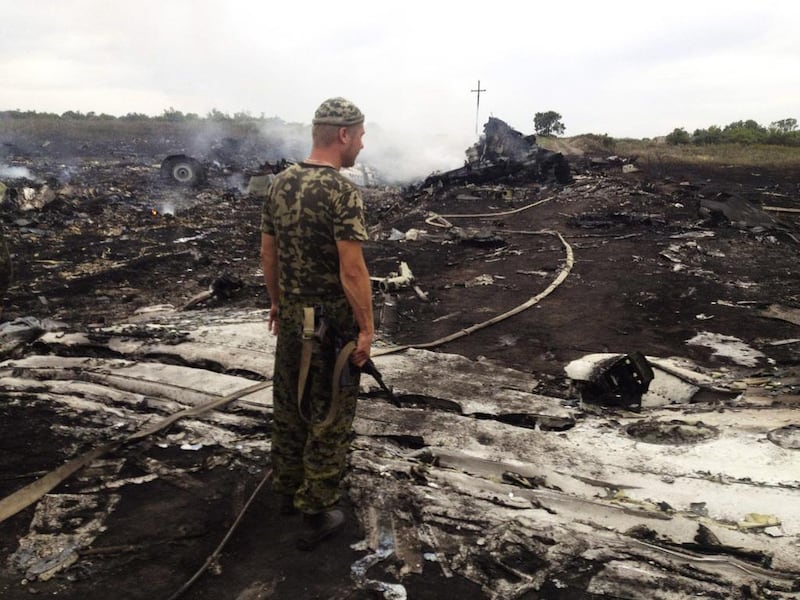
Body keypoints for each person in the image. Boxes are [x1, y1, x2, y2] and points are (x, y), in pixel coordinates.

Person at [260, 97, 373, 551]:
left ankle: (287, 491)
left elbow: (268, 254)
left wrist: (276, 303)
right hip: (330, 325)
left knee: (289, 404)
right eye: (361, 136)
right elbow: (352, 271)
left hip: (290, 317)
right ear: (343, 135)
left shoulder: (280, 183)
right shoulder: (343, 192)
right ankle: (318, 507)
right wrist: (366, 328)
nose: (362, 145)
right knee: (329, 413)